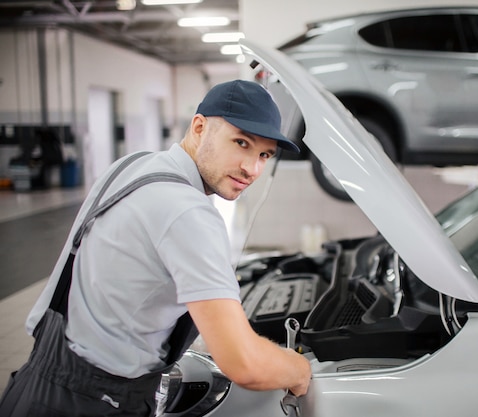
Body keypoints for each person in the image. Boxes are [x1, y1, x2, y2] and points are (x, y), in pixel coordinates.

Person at [0, 80, 311, 416]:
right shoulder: (188, 211)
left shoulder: (132, 165)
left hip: (34, 383)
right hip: (94, 403)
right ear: (199, 127)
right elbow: (243, 363)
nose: (252, 169)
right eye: (241, 143)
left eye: (264, 154)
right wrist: (298, 369)